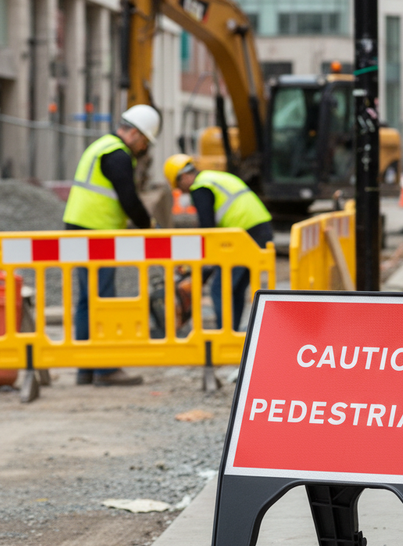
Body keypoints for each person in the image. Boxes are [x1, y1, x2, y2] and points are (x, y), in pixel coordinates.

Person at [63, 104, 160, 387]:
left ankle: (86, 368)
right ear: (133, 133)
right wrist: (149, 227)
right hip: (97, 233)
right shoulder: (117, 155)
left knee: (87, 299)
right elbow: (128, 200)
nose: (143, 148)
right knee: (102, 298)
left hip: (80, 227)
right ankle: (105, 368)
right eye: (144, 141)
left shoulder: (100, 146)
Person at [164, 156, 273, 330]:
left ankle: (225, 335)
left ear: (183, 177)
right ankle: (234, 334)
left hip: (244, 235)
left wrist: (203, 271)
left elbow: (208, 230)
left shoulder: (201, 187)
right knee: (235, 289)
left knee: (219, 289)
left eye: (179, 187)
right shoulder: (213, 178)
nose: (182, 192)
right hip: (260, 230)